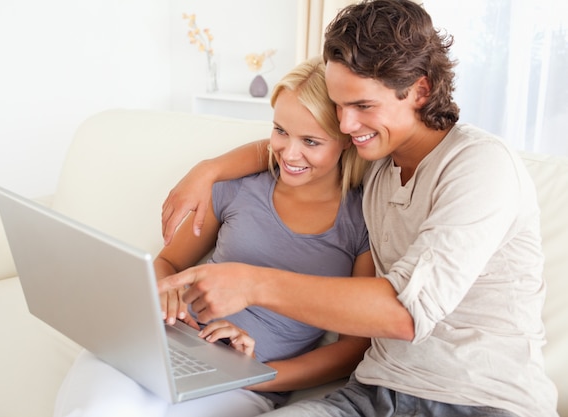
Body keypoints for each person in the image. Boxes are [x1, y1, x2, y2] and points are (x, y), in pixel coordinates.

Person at [158, 1, 559, 416]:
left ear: (420, 90)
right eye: (339, 105)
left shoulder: (480, 165)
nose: (346, 125)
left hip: (480, 400)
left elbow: (405, 313)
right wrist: (208, 170)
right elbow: (293, 147)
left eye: (363, 106)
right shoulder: (378, 159)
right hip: (372, 391)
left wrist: (252, 284)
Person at [53, 57, 374, 417]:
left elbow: (355, 346)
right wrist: (168, 293)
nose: (289, 152)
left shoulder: (362, 221)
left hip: (244, 379)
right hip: (165, 342)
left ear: (346, 140)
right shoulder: (241, 188)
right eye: (280, 130)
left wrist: (257, 376)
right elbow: (169, 262)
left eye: (311, 141)